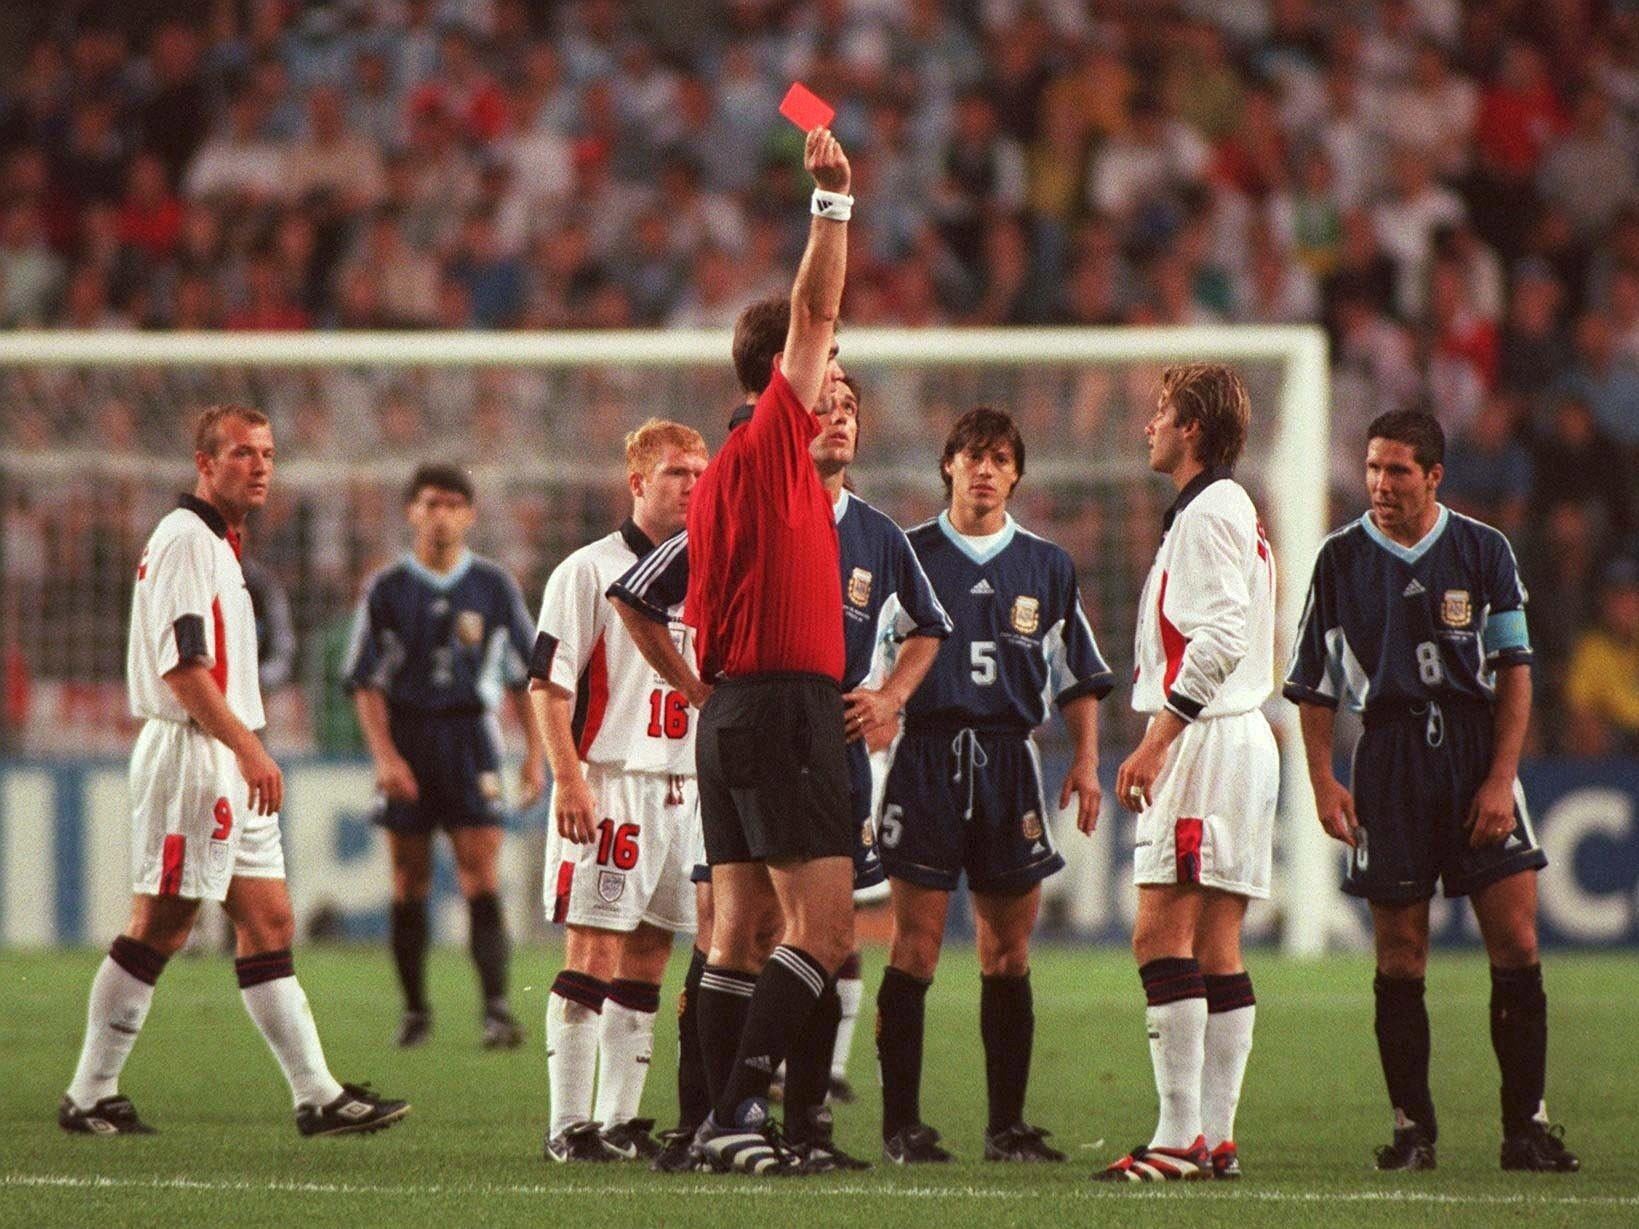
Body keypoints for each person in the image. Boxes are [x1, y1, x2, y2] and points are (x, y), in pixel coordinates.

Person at [609, 377, 950, 1173]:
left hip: (810, 733)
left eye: (849, 411)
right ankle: (728, 1111)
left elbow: (930, 625)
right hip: (777, 722)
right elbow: (634, 596)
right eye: (823, 407)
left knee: (768, 933)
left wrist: (890, 695)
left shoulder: (874, 532)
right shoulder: (754, 512)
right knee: (806, 931)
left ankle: (768, 1126)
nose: (837, 421)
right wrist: (693, 685)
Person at [60, 404, 408, 1137]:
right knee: (164, 919)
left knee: (270, 919)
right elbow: (183, 668)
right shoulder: (186, 540)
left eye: (269, 454)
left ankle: (317, 1094)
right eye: (243, 453)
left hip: (225, 750)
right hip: (195, 751)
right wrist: (248, 749)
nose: (259, 467)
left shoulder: (220, 544)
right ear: (204, 461)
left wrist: (246, 746)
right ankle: (90, 1092)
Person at [1285, 410, 1578, 1173]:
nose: (1378, 484)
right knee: (1399, 953)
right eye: (1372, 468)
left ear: (1433, 476)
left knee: (1515, 940)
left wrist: (1500, 777)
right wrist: (1321, 779)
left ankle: (1526, 1128)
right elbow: (1311, 685)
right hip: (1387, 756)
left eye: (1396, 471)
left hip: (1474, 748)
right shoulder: (1339, 557)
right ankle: (1412, 1129)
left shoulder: (1483, 549)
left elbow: (1514, 672)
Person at [644, 125, 857, 1176]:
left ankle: (696, 1125)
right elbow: (815, 308)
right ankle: (737, 1115)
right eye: (825, 374)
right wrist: (831, 205)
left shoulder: (727, 472)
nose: (833, 389)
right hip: (782, 706)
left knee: (736, 933)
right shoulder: (773, 440)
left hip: (728, 710)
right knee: (821, 932)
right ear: (788, 376)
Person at [875, 406, 1112, 1165]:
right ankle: (900, 1124)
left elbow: (1076, 674)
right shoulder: (904, 553)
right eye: (971, 455)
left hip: (1011, 761)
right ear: (947, 465)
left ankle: (1005, 1126)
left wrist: (1081, 760)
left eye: (999, 458)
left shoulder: (1046, 565)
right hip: (925, 755)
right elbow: (868, 658)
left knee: (1007, 951)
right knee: (912, 946)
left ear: (1015, 474)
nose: (983, 469)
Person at [1094, 365, 1278, 1183]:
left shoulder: (1209, 511)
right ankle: (1212, 1136)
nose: (1149, 426)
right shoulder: (1227, 509)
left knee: (1158, 934)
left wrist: (1158, 738)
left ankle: (1175, 1136)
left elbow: (1219, 636)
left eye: (1161, 412)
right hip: (1238, 735)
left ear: (1193, 428)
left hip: (1204, 737)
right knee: (1214, 942)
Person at [528, 419, 709, 1163]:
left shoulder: (712, 571)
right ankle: (567, 1124)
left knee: (649, 956)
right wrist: (568, 777)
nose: (692, 486)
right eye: (675, 474)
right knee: (592, 949)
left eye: (700, 473)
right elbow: (546, 685)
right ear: (637, 483)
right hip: (612, 780)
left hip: (688, 786)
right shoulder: (586, 572)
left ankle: (617, 1118)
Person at [347, 464, 544, 1050]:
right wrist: (384, 757)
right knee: (408, 876)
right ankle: (415, 1011)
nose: (443, 515)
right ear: (411, 510)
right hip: (407, 737)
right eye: (432, 503)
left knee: (479, 871)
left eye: (455, 504)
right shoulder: (386, 589)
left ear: (471, 514)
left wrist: (536, 756)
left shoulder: (492, 585)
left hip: (470, 736)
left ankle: (498, 1010)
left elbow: (523, 677)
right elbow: (365, 682)